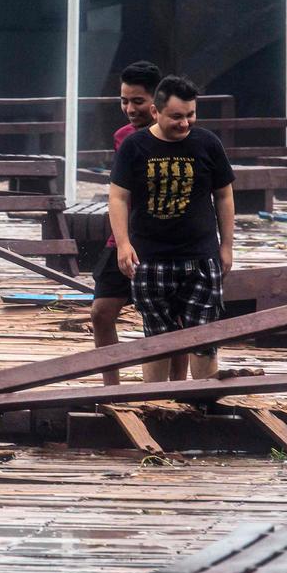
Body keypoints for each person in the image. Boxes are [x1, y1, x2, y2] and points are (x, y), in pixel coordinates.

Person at [108, 75, 235, 382]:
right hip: (151, 258)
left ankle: (204, 404)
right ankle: (154, 404)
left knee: (204, 338)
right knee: (156, 340)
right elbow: (118, 196)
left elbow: (224, 195)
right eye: (177, 117)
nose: (185, 123)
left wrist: (227, 246)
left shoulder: (208, 143)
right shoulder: (135, 146)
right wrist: (123, 244)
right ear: (156, 112)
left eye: (190, 115)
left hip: (201, 257)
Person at [91, 61, 188, 385]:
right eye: (124, 101)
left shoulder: (181, 135)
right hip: (125, 237)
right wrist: (122, 241)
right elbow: (119, 193)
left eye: (137, 101)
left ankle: (178, 387)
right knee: (101, 312)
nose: (130, 109)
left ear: (157, 101)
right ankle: (111, 388)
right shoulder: (123, 137)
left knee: (174, 318)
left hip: (165, 239)